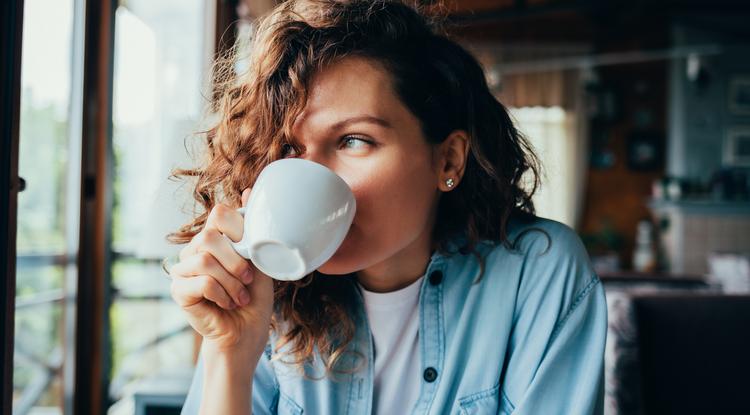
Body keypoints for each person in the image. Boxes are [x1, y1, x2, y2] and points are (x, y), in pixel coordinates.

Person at [168, 1, 608, 414]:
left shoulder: (537, 273)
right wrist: (229, 356)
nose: (311, 176)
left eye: (354, 140)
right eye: (288, 147)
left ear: (448, 160)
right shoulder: (267, 295)